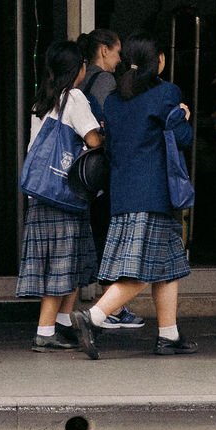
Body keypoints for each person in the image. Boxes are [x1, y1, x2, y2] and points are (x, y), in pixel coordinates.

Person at [78, 32, 195, 358]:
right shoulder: (166, 93)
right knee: (143, 271)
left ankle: (168, 335)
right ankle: (93, 317)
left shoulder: (115, 100)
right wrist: (184, 116)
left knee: (168, 267)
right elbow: (182, 139)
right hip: (154, 195)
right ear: (157, 61)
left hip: (125, 193)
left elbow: (112, 148)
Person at [19, 42, 102, 351]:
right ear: (77, 68)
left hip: (42, 194)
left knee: (67, 263)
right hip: (63, 196)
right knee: (62, 264)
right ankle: (44, 330)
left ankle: (63, 322)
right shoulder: (75, 98)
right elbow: (93, 139)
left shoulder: (43, 100)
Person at [74, 28, 142, 331]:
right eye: (117, 53)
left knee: (97, 236)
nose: (119, 60)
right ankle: (112, 307)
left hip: (83, 173)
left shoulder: (81, 79)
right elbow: (109, 126)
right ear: (103, 50)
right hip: (103, 171)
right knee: (108, 237)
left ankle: (109, 306)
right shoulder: (103, 81)